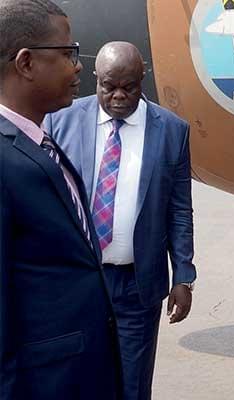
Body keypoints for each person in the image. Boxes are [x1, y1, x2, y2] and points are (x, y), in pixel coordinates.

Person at [43, 41, 196, 400]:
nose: (118, 96)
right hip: (77, 281)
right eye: (108, 87)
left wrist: (184, 276)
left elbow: (179, 209)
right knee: (75, 380)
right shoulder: (60, 120)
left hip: (136, 284)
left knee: (132, 385)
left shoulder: (171, 131)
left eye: (129, 87)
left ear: (143, 78)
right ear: (95, 78)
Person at [0, 1, 120, 398]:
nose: (79, 64)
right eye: (67, 53)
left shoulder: (42, 143)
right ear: (26, 63)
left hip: (79, 374)